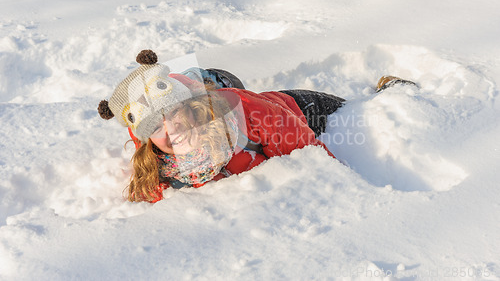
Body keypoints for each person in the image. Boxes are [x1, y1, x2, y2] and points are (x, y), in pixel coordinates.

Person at [98, 50, 415, 203]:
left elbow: (317, 160)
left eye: (175, 113)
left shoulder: (248, 113)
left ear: (190, 105)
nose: (172, 128)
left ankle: (393, 88)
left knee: (359, 110)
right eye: (156, 126)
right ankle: (206, 76)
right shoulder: (155, 159)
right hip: (216, 90)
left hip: (295, 109)